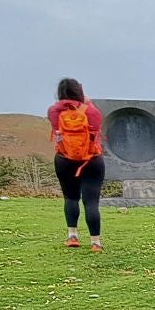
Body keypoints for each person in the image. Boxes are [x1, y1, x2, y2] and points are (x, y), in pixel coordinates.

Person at [47, 77, 106, 251]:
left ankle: (73, 236)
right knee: (91, 202)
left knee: (71, 198)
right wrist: (87, 101)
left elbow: (55, 127)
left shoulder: (54, 111)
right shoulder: (91, 112)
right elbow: (97, 125)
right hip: (91, 160)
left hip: (65, 159)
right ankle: (96, 242)